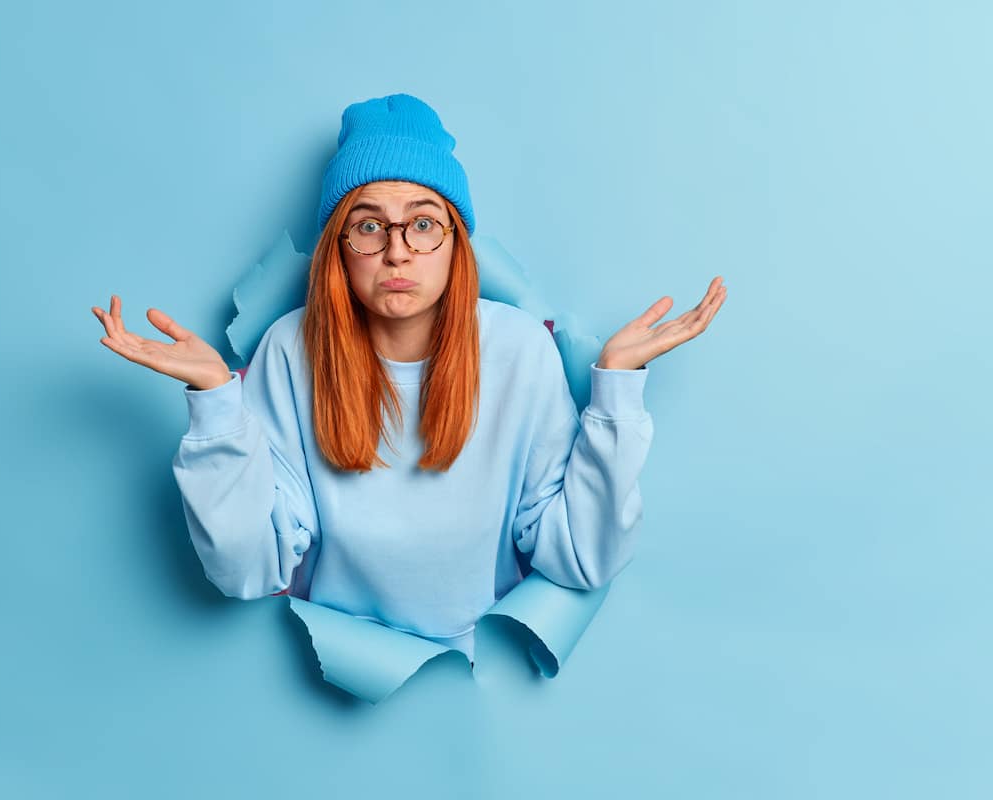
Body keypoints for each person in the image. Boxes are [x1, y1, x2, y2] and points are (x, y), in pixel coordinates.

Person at [91, 93, 726, 661]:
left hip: (489, 679)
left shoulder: (519, 351)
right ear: (339, 246)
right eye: (369, 225)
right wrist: (216, 405)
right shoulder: (290, 350)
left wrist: (616, 387)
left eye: (422, 223)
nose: (397, 251)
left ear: (456, 242)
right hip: (334, 679)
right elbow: (245, 570)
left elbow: (584, 558)